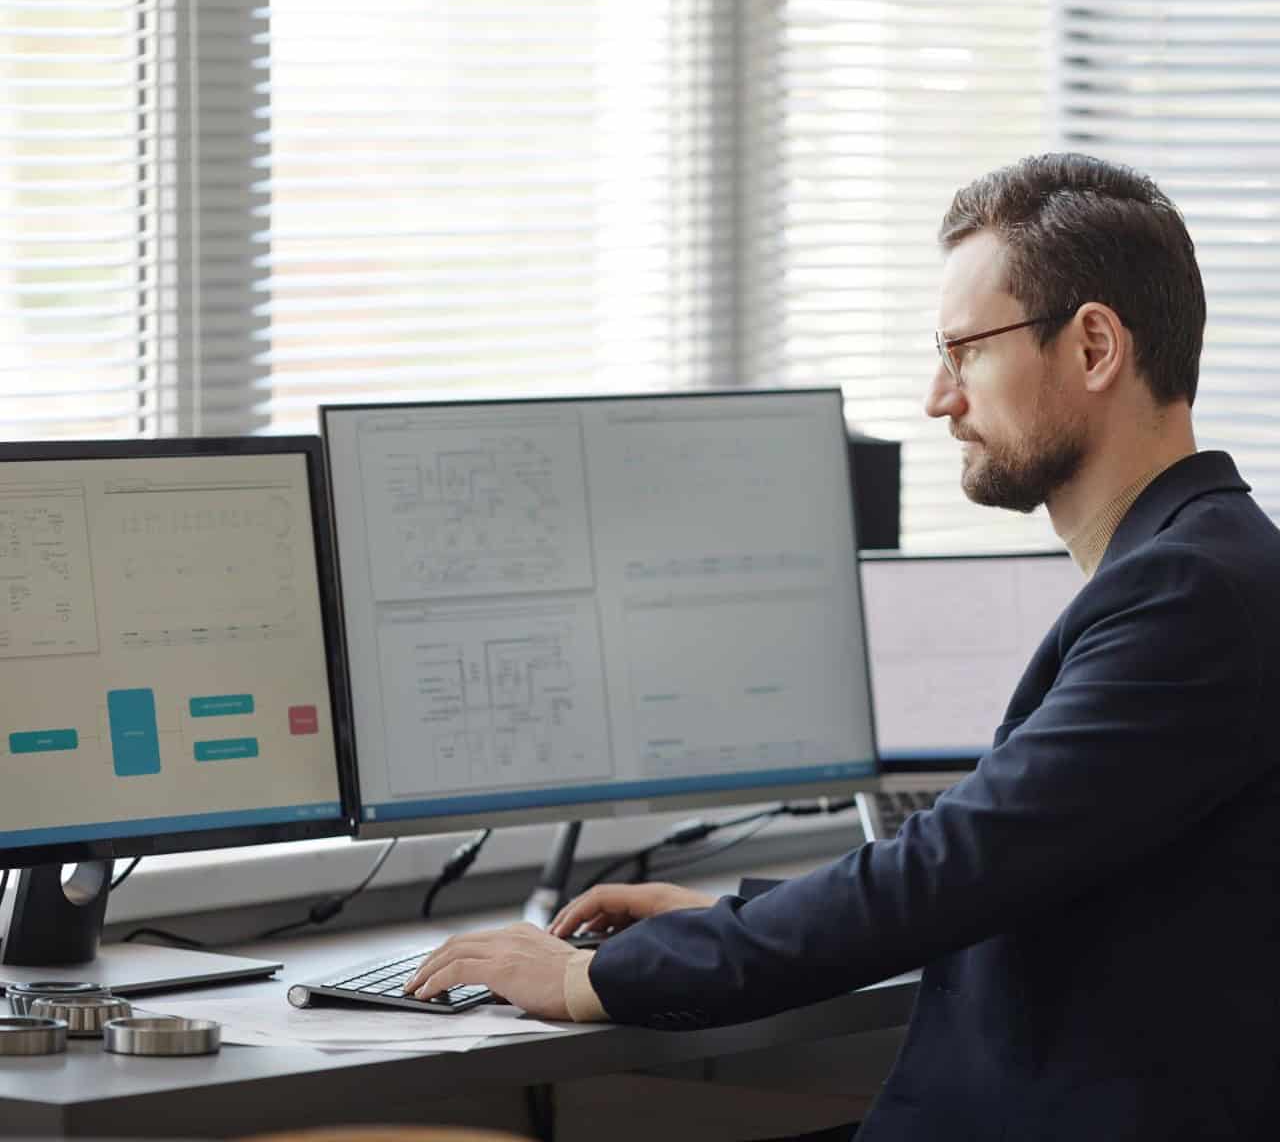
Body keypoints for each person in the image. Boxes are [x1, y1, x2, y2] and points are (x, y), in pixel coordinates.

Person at [409, 154, 1280, 1139]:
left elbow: (952, 866)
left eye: (964, 351)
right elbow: (1019, 878)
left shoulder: (1190, 596)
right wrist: (726, 919)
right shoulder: (1201, 568)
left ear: (1092, 347)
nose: (938, 398)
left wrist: (586, 978)